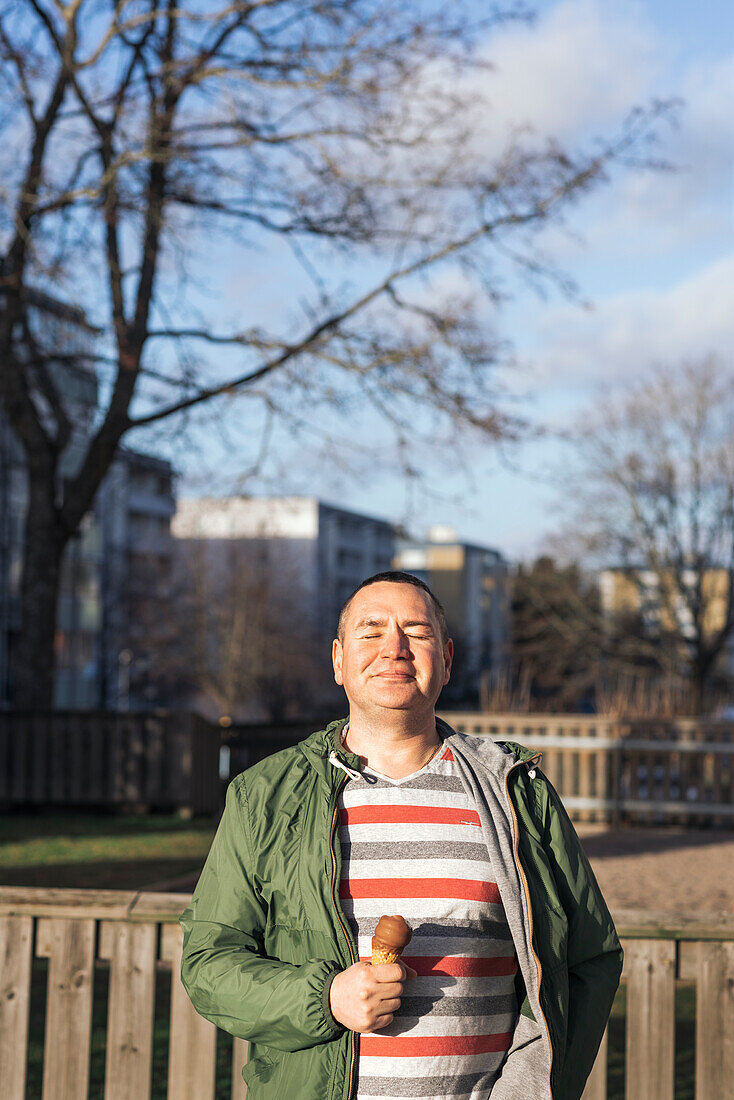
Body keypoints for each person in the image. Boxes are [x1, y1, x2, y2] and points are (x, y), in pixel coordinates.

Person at [180, 571, 622, 1100]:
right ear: (339, 660)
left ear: (448, 659)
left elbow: (587, 958)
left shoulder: (516, 792)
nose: (394, 648)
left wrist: (526, 1092)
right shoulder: (265, 796)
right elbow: (210, 960)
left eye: (416, 631)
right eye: (371, 632)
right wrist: (324, 999)